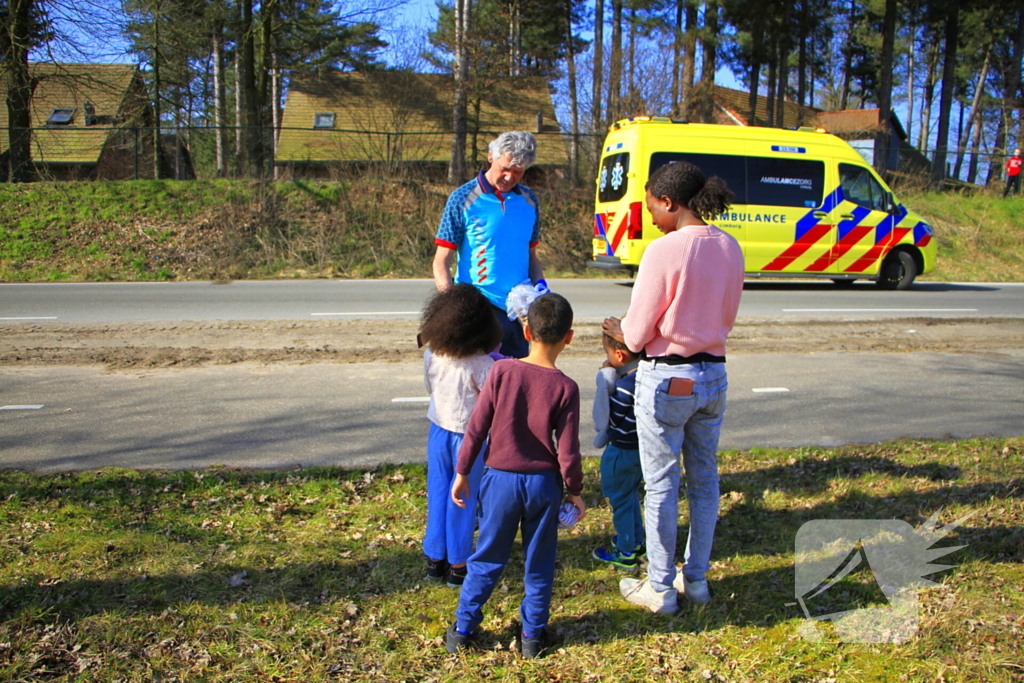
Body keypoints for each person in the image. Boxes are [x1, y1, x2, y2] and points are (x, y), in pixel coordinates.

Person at [603, 161, 744, 615]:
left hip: (668, 378)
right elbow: (724, 319)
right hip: (714, 374)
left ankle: (661, 588)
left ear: (670, 202)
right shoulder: (730, 246)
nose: (651, 218)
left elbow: (639, 333)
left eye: (652, 208)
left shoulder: (664, 251)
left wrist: (618, 327)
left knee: (661, 486)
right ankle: (696, 580)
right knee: (705, 482)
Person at [445, 292, 586, 659]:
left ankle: (463, 629)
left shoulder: (503, 371)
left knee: (487, 557)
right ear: (568, 337)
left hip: (500, 482)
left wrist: (462, 471)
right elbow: (568, 449)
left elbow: (476, 427)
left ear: (526, 330)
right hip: (543, 485)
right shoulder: (566, 388)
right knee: (539, 562)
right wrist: (575, 491)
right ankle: (532, 637)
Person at [432, 131, 548, 358]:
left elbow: (531, 256)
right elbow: (440, 261)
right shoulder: (462, 198)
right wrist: (453, 307)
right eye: (504, 168)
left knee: (514, 385)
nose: (509, 177)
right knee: (477, 386)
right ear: (490, 157)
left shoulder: (529, 200)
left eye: (518, 172)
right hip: (479, 309)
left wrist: (541, 288)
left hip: (518, 312)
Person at [419, 284, 504, 588]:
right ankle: (458, 563)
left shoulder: (432, 354)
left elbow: (429, 389)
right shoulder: (484, 365)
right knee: (464, 498)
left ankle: (434, 559)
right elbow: (491, 407)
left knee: (438, 492)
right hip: (469, 441)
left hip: (437, 430)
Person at [590, 333, 646, 570]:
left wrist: (605, 383)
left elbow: (606, 420)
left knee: (619, 500)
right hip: (639, 451)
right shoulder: (644, 379)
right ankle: (636, 540)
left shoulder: (623, 388)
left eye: (608, 353)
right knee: (630, 495)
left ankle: (625, 552)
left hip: (620, 451)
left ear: (620, 355)